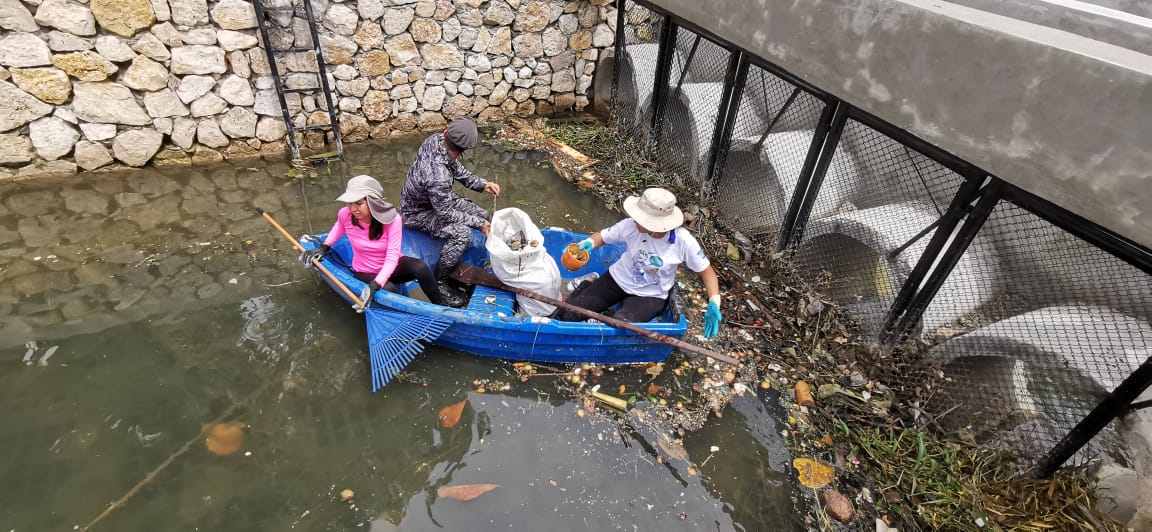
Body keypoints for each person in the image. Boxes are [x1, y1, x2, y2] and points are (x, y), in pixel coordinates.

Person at [552, 187, 724, 338]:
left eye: (640, 218)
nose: (635, 219)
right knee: (568, 315)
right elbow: (602, 237)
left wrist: (714, 301)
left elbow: (707, 272)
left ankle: (602, 308)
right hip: (617, 280)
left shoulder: (682, 241)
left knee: (619, 325)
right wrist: (589, 243)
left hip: (650, 295)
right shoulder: (630, 226)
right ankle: (588, 283)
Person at [300, 175, 466, 309]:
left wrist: (376, 284)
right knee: (389, 290)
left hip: (391, 266)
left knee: (420, 267)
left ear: (372, 202)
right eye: (350, 203)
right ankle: (402, 315)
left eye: (359, 203)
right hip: (365, 270)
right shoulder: (345, 214)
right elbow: (338, 229)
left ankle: (441, 307)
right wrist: (323, 248)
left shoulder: (393, 220)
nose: (353, 209)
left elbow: (393, 256)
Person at [400, 116, 501, 289]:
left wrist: (483, 184)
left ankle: (486, 257)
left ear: (446, 133)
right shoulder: (438, 177)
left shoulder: (435, 139)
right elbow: (445, 214)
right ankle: (441, 280)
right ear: (466, 149)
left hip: (435, 198)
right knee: (462, 233)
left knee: (483, 214)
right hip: (416, 212)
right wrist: (479, 224)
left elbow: (455, 167)